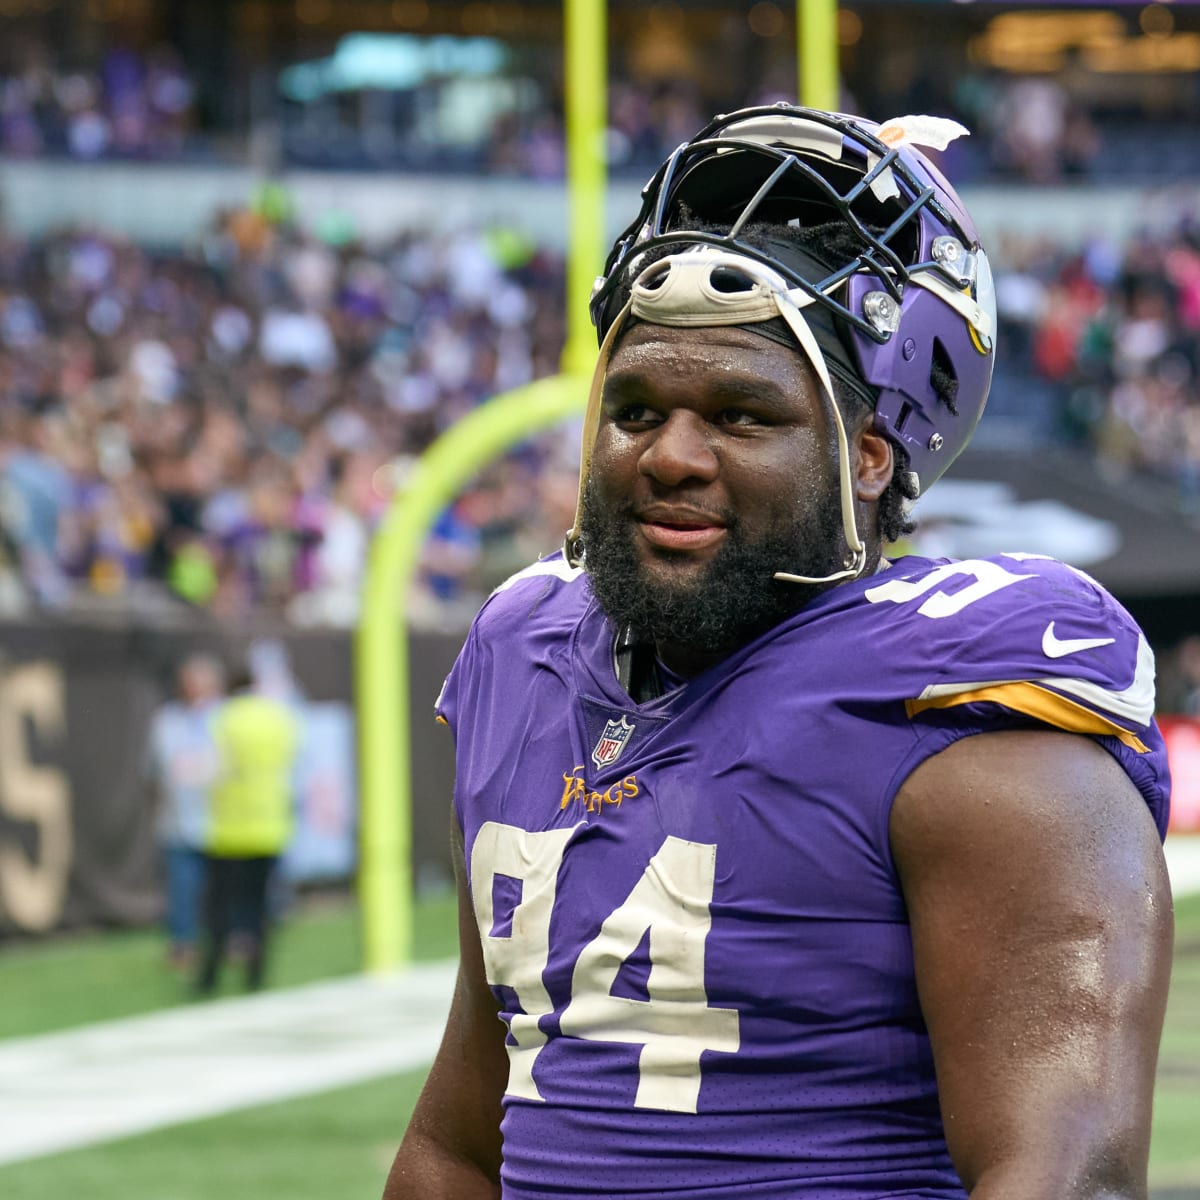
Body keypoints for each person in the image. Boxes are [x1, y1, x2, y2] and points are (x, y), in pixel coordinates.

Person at [383, 105, 1174, 1199]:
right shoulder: (528, 658)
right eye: (636, 407)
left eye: (742, 416)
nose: (671, 454)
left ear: (863, 456)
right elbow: (459, 1147)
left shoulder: (962, 717)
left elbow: (1066, 1178)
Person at [194, 665, 299, 995]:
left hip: (229, 831)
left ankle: (210, 975)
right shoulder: (277, 718)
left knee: (219, 909)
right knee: (260, 906)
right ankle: (257, 973)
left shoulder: (223, 719)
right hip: (270, 828)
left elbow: (211, 768)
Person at [144, 652, 225, 968]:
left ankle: (224, 939)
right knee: (182, 888)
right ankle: (183, 943)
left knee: (220, 888)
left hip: (222, 823)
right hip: (178, 822)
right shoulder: (167, 721)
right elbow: (151, 772)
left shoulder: (226, 718)